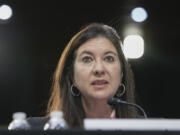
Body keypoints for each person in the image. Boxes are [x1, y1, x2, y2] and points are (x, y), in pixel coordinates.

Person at [28, 23, 139, 129]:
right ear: (71, 75)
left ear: (121, 73)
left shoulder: (144, 129)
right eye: (87, 59)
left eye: (109, 58)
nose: (99, 69)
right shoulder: (36, 129)